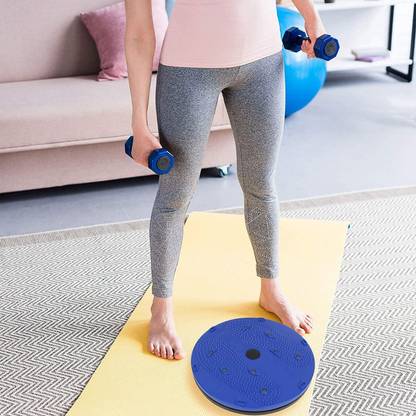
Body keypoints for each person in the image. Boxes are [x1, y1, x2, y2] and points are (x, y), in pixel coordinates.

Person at [124, 0, 326, 361]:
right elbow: (139, 32)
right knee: (175, 195)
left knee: (261, 185)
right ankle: (161, 307)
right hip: (188, 71)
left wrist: (313, 17)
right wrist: (139, 122)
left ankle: (271, 288)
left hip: (263, 62)